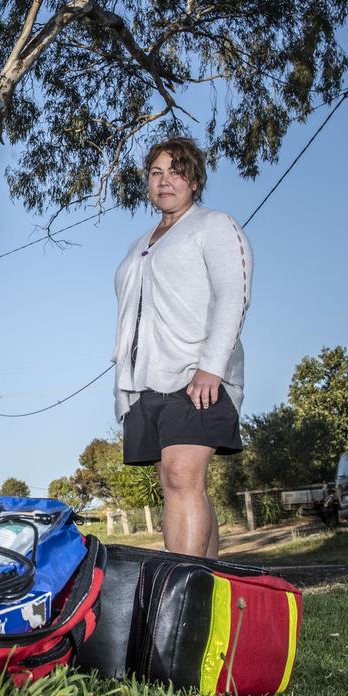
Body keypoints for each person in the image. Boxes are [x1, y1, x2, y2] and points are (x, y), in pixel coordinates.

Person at [112, 137, 253, 558]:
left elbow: (234, 295)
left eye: (175, 171)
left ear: (194, 180)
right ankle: (207, 587)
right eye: (156, 173)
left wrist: (211, 366)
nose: (164, 180)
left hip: (197, 376)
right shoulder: (140, 244)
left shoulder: (214, 225)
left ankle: (178, 590)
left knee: (181, 478)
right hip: (145, 382)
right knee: (179, 486)